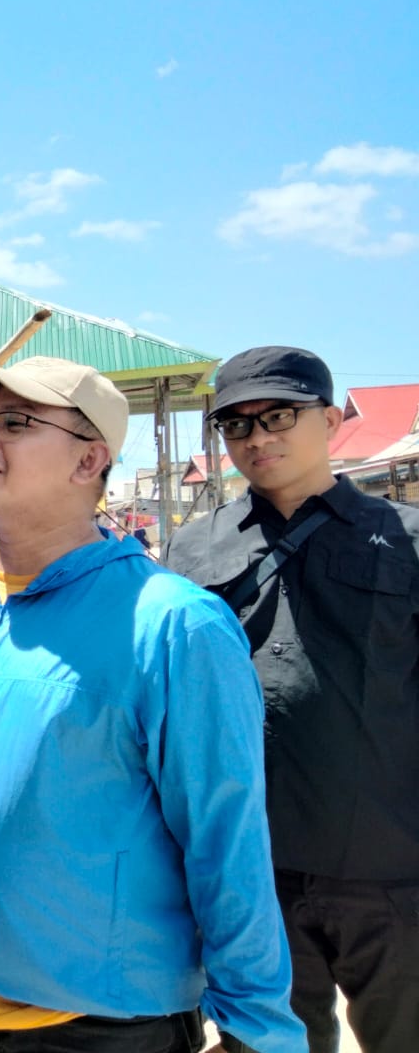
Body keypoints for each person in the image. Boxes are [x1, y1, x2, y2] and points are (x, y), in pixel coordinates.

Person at [0, 355, 304, 1053]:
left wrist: (256, 1029)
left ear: (89, 461)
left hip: (101, 1027)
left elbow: (228, 840)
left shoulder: (172, 626)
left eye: (15, 422)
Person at [163, 346, 419, 1053]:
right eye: (237, 426)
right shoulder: (193, 550)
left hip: (391, 869)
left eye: (279, 416)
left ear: (331, 419)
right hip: (250, 869)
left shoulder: (407, 543)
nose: (258, 438)